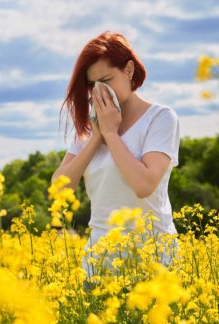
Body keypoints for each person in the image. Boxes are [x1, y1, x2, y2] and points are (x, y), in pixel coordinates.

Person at [51, 31, 181, 290]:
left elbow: (144, 185)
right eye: (92, 85)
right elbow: (59, 188)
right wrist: (96, 138)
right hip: (98, 267)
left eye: (106, 80)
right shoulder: (89, 131)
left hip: (152, 265)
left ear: (129, 70)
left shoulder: (160, 118)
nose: (99, 91)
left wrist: (111, 134)